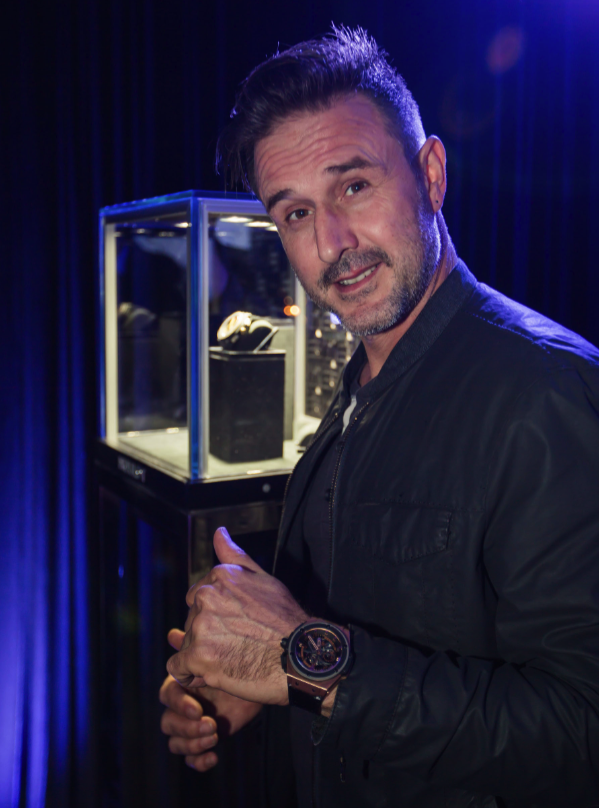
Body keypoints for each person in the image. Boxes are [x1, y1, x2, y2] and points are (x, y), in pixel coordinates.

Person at [159, 26, 599, 807]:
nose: (332, 242)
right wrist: (254, 682)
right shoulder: (361, 381)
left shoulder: (546, 391)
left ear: (430, 174)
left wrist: (304, 659)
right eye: (295, 213)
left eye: (353, 186)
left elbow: (581, 734)